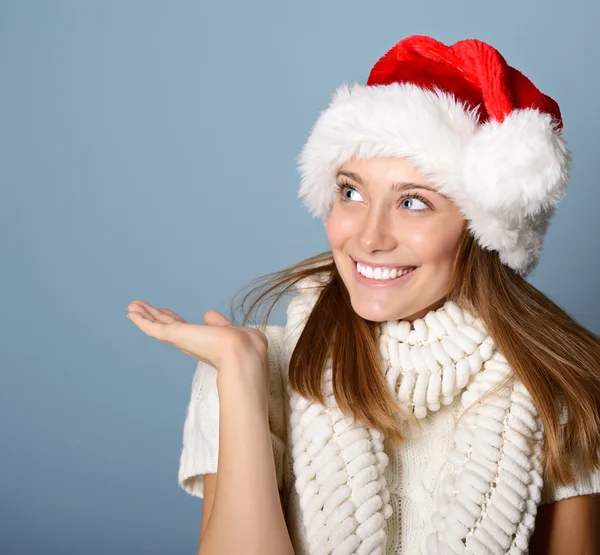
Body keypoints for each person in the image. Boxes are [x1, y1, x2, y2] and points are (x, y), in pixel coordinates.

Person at [127, 35, 600, 554]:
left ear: (481, 231)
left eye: (413, 202)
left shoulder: (560, 392)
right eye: (351, 192)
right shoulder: (248, 371)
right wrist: (239, 372)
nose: (369, 237)